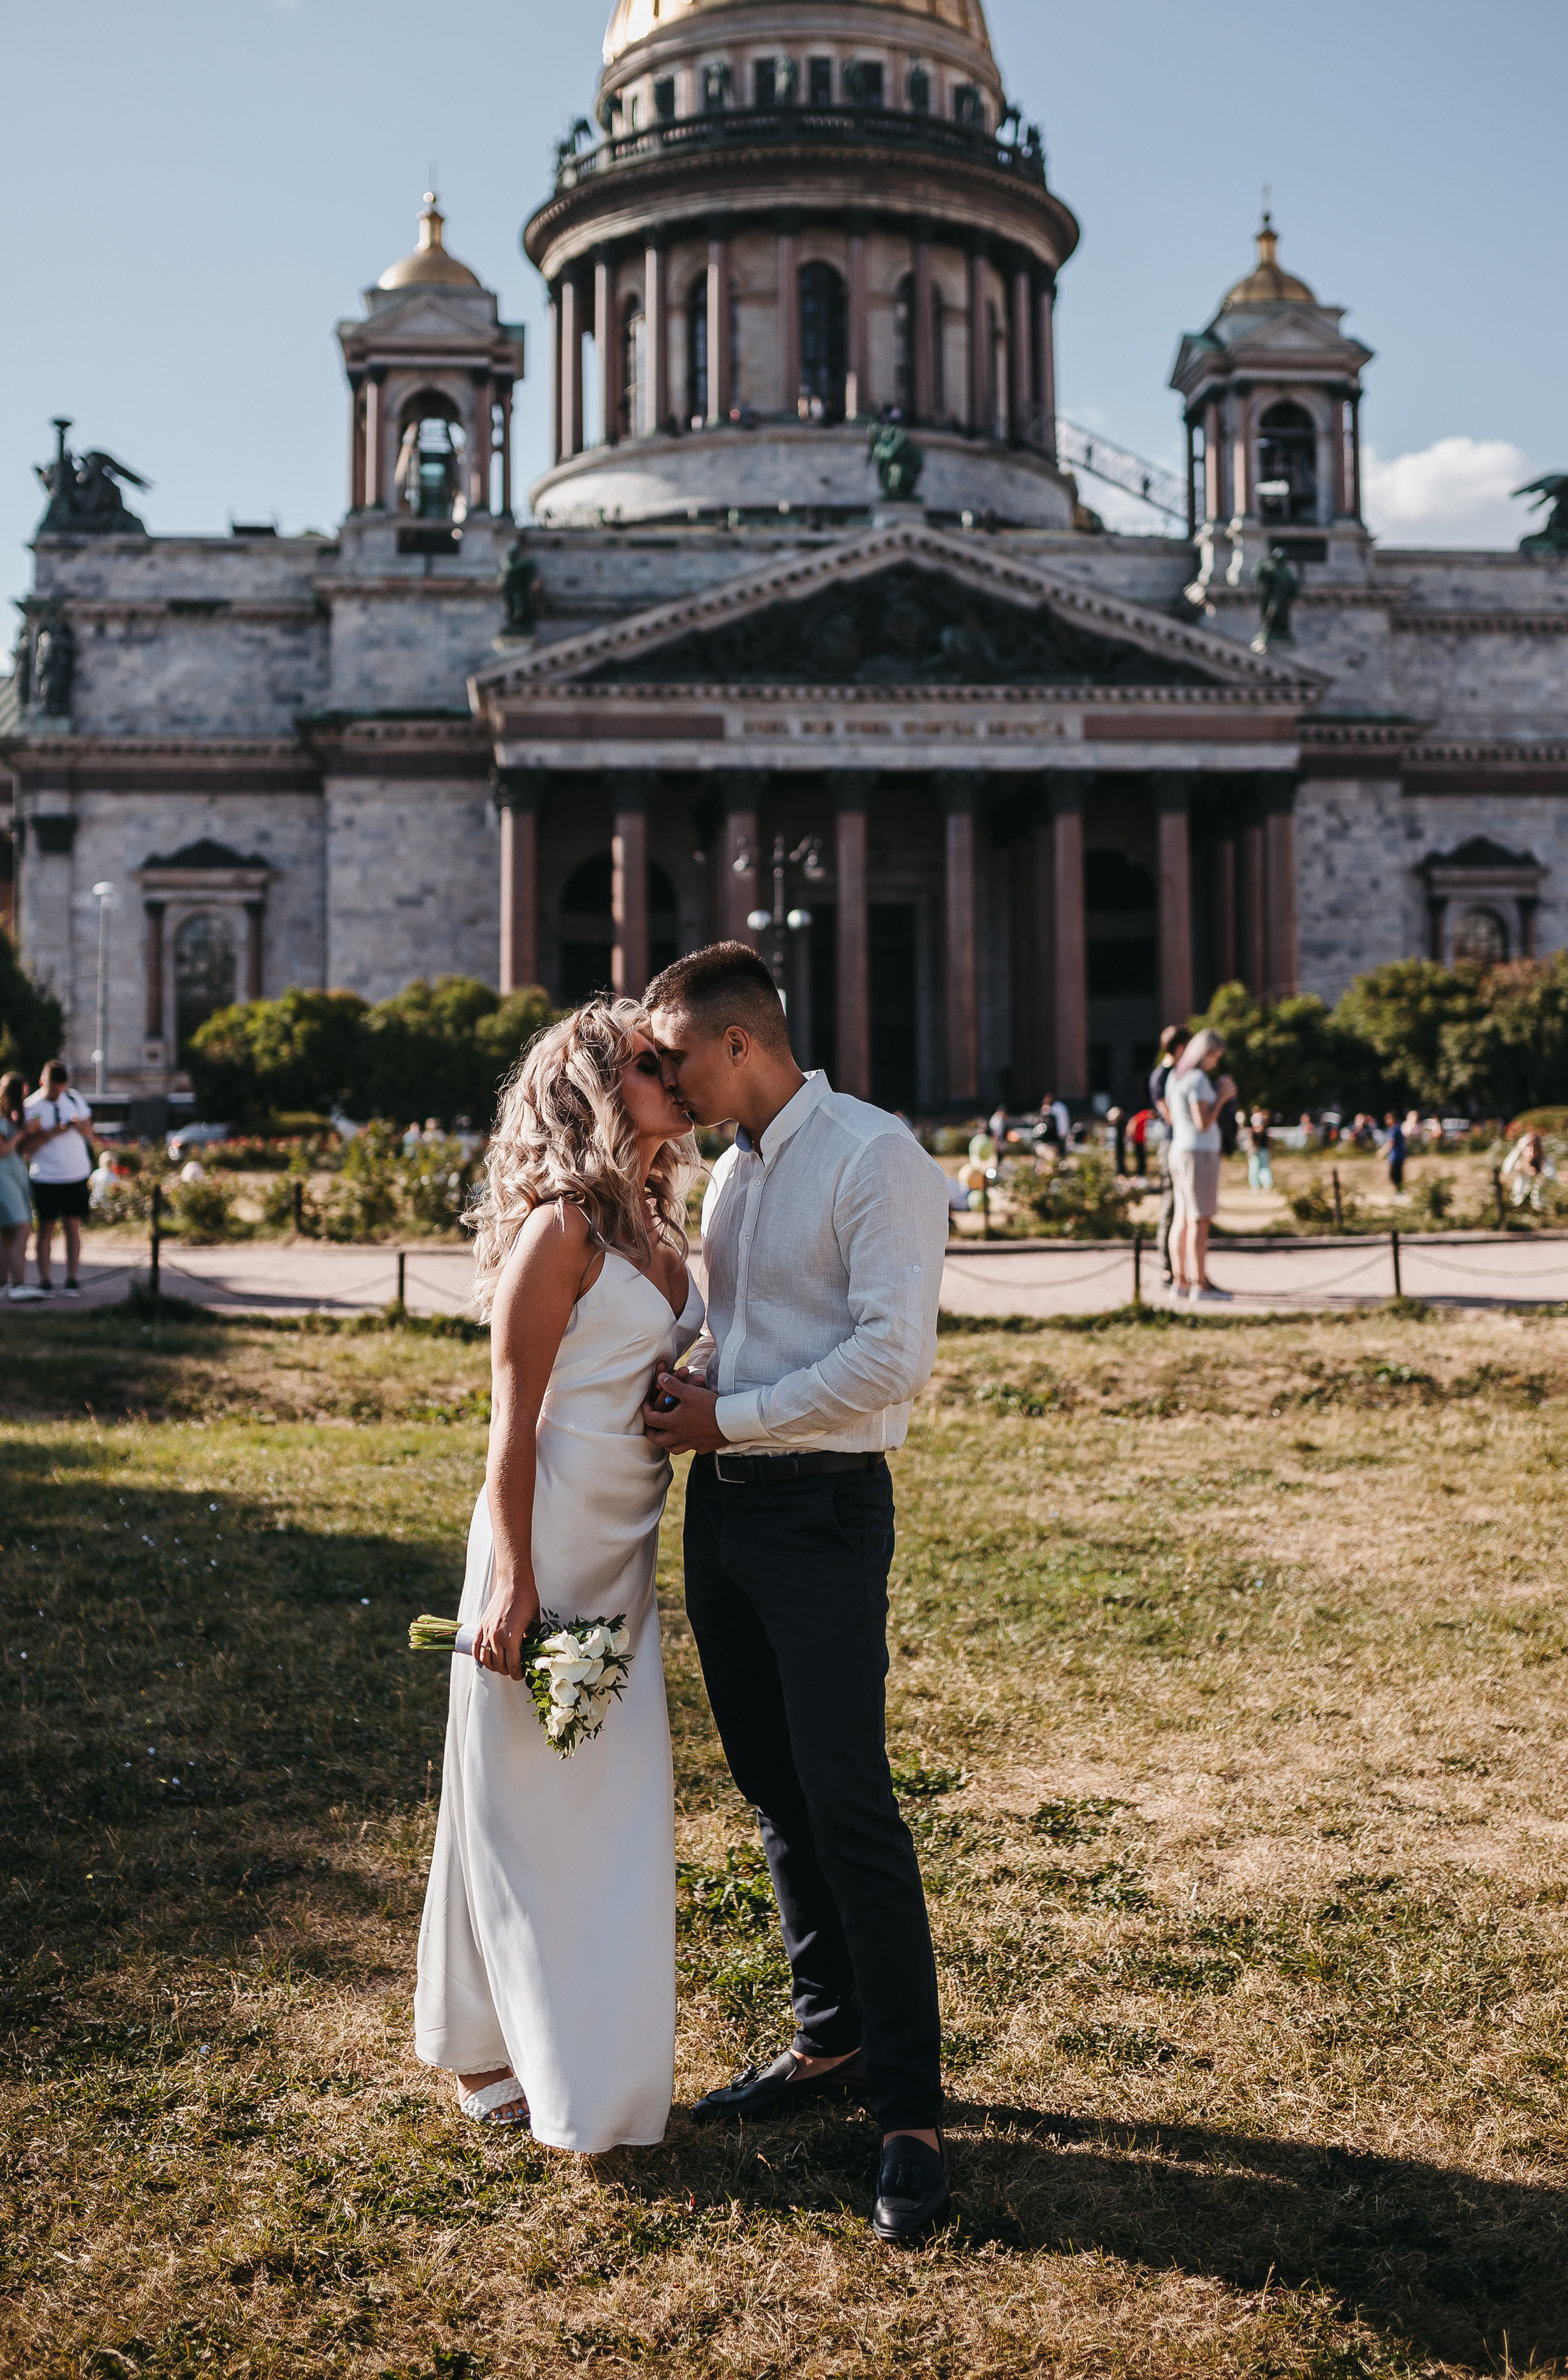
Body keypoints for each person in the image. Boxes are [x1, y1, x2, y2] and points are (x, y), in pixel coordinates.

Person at [640, 943, 953, 2247]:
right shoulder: (730, 1173)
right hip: (728, 1515)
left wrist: (734, 1418)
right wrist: (686, 1381)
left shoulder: (875, 1156)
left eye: (672, 1056)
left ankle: (913, 2117)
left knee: (851, 1802)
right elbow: (750, 1330)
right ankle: (828, 2039)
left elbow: (894, 1356)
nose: (661, 1076)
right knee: (772, 1787)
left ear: (742, 1046)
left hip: (822, 1508)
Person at [413, 998, 702, 2151]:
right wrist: (515, 1584)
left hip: (627, 1550)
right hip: (545, 1539)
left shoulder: (662, 1227)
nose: (674, 1076)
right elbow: (512, 1431)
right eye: (650, 1062)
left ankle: (561, 2043)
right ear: (592, 1081)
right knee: (521, 1798)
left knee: (611, 1809)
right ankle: (488, 2043)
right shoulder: (564, 1229)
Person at [1167, 1029, 1237, 1304]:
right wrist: (1223, 1096)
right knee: (1200, 1219)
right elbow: (1203, 1122)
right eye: (1215, 1057)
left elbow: (1176, 1118)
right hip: (1199, 1151)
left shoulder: (1176, 1076)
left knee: (1182, 1218)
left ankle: (1180, 1281)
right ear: (1205, 1053)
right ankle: (1200, 1285)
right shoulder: (1197, 1079)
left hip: (1180, 1148)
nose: (1216, 1063)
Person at [23, 1060, 94, 1293]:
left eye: (61, 1089)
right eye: (54, 1089)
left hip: (75, 1173)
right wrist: (52, 1132)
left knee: (73, 1226)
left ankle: (72, 1278)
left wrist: (79, 1125)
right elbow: (25, 1149)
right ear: (43, 1082)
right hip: (46, 1176)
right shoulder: (30, 1107)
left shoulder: (73, 1099)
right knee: (46, 1227)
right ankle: (45, 1280)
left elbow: (90, 1131)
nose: (57, 1094)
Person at [0, 1073, 41, 1300]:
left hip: (11, 1180)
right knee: (21, 1228)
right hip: (2, 1180)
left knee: (6, 1234)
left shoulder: (5, 1119)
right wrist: (23, 1132)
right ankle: (18, 1285)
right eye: (22, 1094)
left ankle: (2, 1286)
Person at [1150, 1024, 1183, 1283]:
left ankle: (1183, 1267)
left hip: (1182, 1143)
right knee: (1171, 1203)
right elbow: (1169, 1115)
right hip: (1173, 1144)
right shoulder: (1162, 1076)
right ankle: (1167, 1265)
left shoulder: (1182, 1073)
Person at [1246, 1104, 1273, 1192]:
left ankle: (1256, 1186)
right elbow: (1269, 1141)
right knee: (1263, 1168)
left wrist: (1252, 1149)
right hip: (1264, 1150)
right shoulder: (1265, 1130)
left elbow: (1254, 1141)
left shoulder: (1255, 1131)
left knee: (1255, 1169)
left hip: (1259, 1150)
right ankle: (1266, 1184)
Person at [1382, 1113, 1408, 1194]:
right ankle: (1399, 1191)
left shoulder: (1394, 1130)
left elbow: (1391, 1143)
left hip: (1396, 1157)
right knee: (1397, 1175)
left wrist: (1383, 1151)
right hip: (1399, 1156)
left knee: (1394, 1175)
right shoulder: (1397, 1129)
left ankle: (1399, 1192)